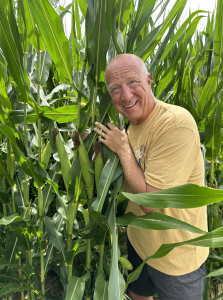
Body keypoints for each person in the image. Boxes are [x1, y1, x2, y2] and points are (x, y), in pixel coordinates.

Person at [93, 54, 209, 300]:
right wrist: (97, 156)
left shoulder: (175, 124)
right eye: (116, 89)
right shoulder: (130, 126)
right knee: (138, 294)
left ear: (149, 80)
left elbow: (151, 206)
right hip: (140, 240)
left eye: (133, 82)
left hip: (176, 256)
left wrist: (123, 150)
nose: (125, 95)